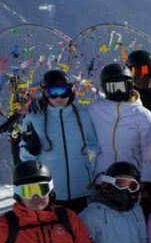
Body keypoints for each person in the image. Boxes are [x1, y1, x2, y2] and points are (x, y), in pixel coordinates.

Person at [19, 70, 99, 213]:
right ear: (45, 93)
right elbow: (24, 156)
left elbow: (96, 147)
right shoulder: (34, 118)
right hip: (52, 192)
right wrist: (31, 149)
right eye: (53, 92)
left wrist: (96, 176)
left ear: (70, 92)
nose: (59, 97)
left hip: (84, 189)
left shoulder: (82, 115)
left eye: (64, 91)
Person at [87, 63, 151, 188]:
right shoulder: (95, 110)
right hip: (102, 175)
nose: (118, 91)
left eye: (122, 86)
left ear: (130, 85)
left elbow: (149, 152)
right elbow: (81, 134)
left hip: (130, 178)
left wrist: (147, 180)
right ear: (105, 89)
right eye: (113, 87)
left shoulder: (142, 115)